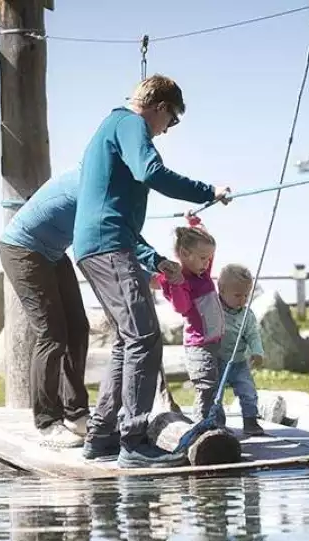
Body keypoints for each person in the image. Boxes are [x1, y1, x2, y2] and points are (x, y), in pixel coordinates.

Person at [72, 74, 231, 469]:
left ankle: (102, 435)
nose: (165, 130)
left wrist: (154, 260)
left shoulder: (110, 128)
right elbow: (151, 172)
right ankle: (135, 440)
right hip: (108, 246)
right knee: (144, 337)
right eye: (171, 121)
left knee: (129, 341)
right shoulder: (129, 124)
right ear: (159, 106)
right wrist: (206, 191)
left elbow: (113, 209)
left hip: (105, 244)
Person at [0, 166, 90, 448]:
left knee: (77, 328)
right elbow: (100, 238)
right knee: (52, 334)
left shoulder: (105, 179)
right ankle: (48, 422)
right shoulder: (90, 182)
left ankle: (76, 413)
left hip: (52, 251)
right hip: (22, 249)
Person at [155, 219, 227, 428]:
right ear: (186, 255)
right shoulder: (181, 281)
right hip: (199, 345)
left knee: (216, 387)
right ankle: (202, 425)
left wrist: (195, 223)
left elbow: (204, 248)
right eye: (204, 258)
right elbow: (181, 308)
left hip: (215, 341)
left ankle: (217, 425)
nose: (208, 263)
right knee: (206, 387)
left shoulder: (202, 273)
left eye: (209, 258)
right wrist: (176, 285)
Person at [216, 263, 265, 436]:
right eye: (237, 295)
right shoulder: (214, 309)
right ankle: (217, 423)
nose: (243, 299)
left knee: (248, 391)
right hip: (217, 361)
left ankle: (250, 421)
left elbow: (253, 335)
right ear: (221, 290)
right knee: (215, 394)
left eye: (246, 295)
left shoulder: (247, 315)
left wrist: (257, 352)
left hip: (239, 362)